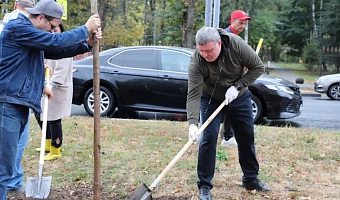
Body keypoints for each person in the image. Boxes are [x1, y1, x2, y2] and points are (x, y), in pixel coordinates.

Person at [0, 0, 102, 198]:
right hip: (7, 105)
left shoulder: (29, 37)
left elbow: (56, 50)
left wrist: (86, 44)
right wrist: (85, 28)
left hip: (18, 105)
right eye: (53, 26)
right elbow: (55, 42)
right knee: (2, 170)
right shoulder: (18, 28)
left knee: (6, 168)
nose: (54, 31)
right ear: (40, 18)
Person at [187, 27, 270, 200]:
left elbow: (257, 67)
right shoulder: (197, 59)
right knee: (208, 138)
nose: (205, 55)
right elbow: (193, 93)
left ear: (219, 43)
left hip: (238, 96)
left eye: (209, 50)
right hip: (210, 98)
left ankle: (251, 179)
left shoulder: (236, 45)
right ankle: (204, 186)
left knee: (246, 137)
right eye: (202, 51)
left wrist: (238, 86)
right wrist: (193, 124)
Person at [0, 0, 35, 194]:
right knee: (9, 153)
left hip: (15, 97)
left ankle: (13, 179)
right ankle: (12, 180)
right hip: (10, 99)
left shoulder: (8, 25)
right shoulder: (19, 25)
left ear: (15, 5)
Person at [34, 23, 74, 161]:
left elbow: (61, 72)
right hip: (46, 87)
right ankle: (46, 144)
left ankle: (56, 149)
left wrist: (51, 85)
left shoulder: (64, 49)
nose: (52, 33)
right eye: (50, 31)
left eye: (55, 30)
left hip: (58, 88)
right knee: (41, 116)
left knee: (53, 120)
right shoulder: (47, 47)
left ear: (61, 31)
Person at [221, 10, 252, 147]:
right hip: (227, 79)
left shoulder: (236, 37)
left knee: (231, 106)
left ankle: (228, 135)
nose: (242, 26)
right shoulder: (227, 36)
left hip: (234, 78)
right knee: (229, 107)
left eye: (244, 24)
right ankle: (227, 136)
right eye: (240, 23)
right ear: (232, 21)